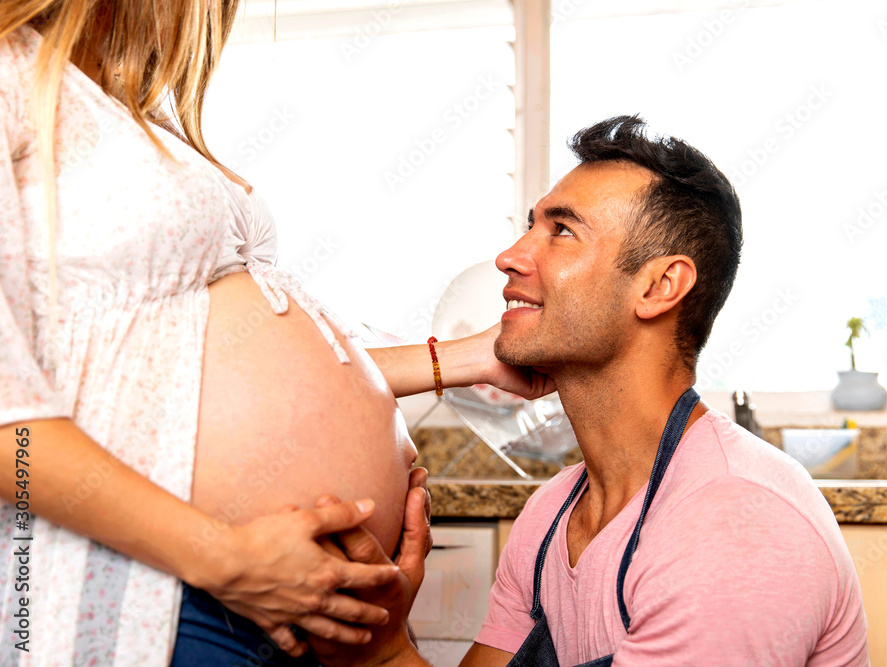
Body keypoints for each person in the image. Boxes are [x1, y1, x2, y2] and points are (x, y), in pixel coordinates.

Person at [0, 3, 551, 666]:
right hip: (169, 590)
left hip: (279, 596)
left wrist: (470, 358)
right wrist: (224, 558)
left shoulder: (128, 108)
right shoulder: (12, 74)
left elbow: (205, 365)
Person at [319, 116, 870, 666]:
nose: (509, 257)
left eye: (561, 231)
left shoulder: (734, 521)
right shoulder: (552, 515)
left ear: (659, 286)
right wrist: (383, 647)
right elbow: (296, 389)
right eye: (531, 226)